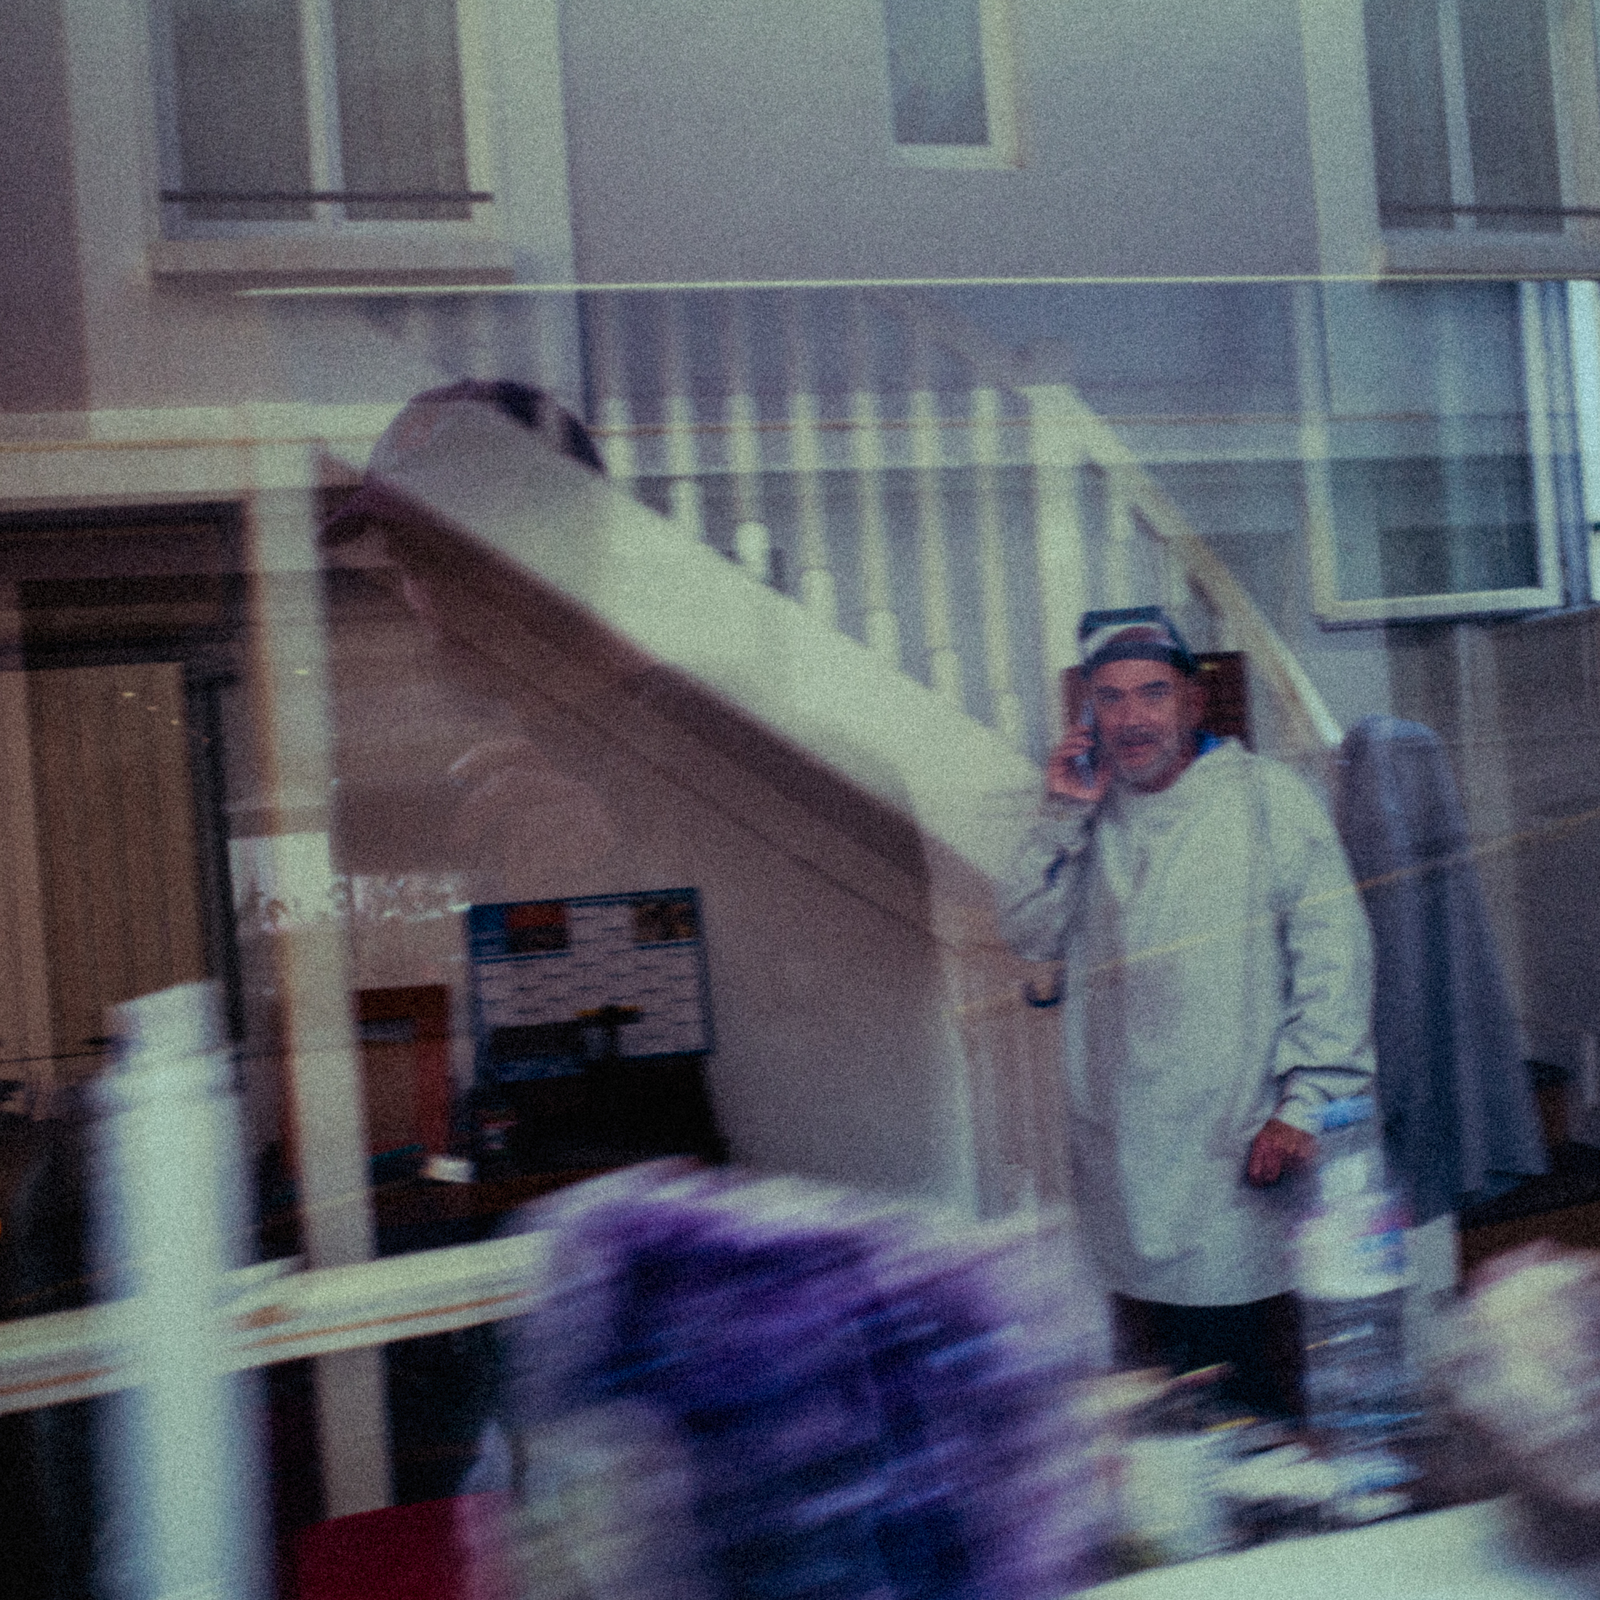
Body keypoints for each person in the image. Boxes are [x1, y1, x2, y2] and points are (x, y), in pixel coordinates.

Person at [997, 609, 1375, 1418]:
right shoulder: (1086, 814)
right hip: (1121, 1159)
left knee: (1247, 1397)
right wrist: (1060, 812)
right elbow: (1028, 931)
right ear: (1088, 713)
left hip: (1234, 1150)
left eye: (1151, 694)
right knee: (1148, 1402)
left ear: (1193, 703)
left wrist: (1303, 1103)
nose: (1131, 718)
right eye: (1110, 699)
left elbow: (1335, 963)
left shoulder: (1268, 800)